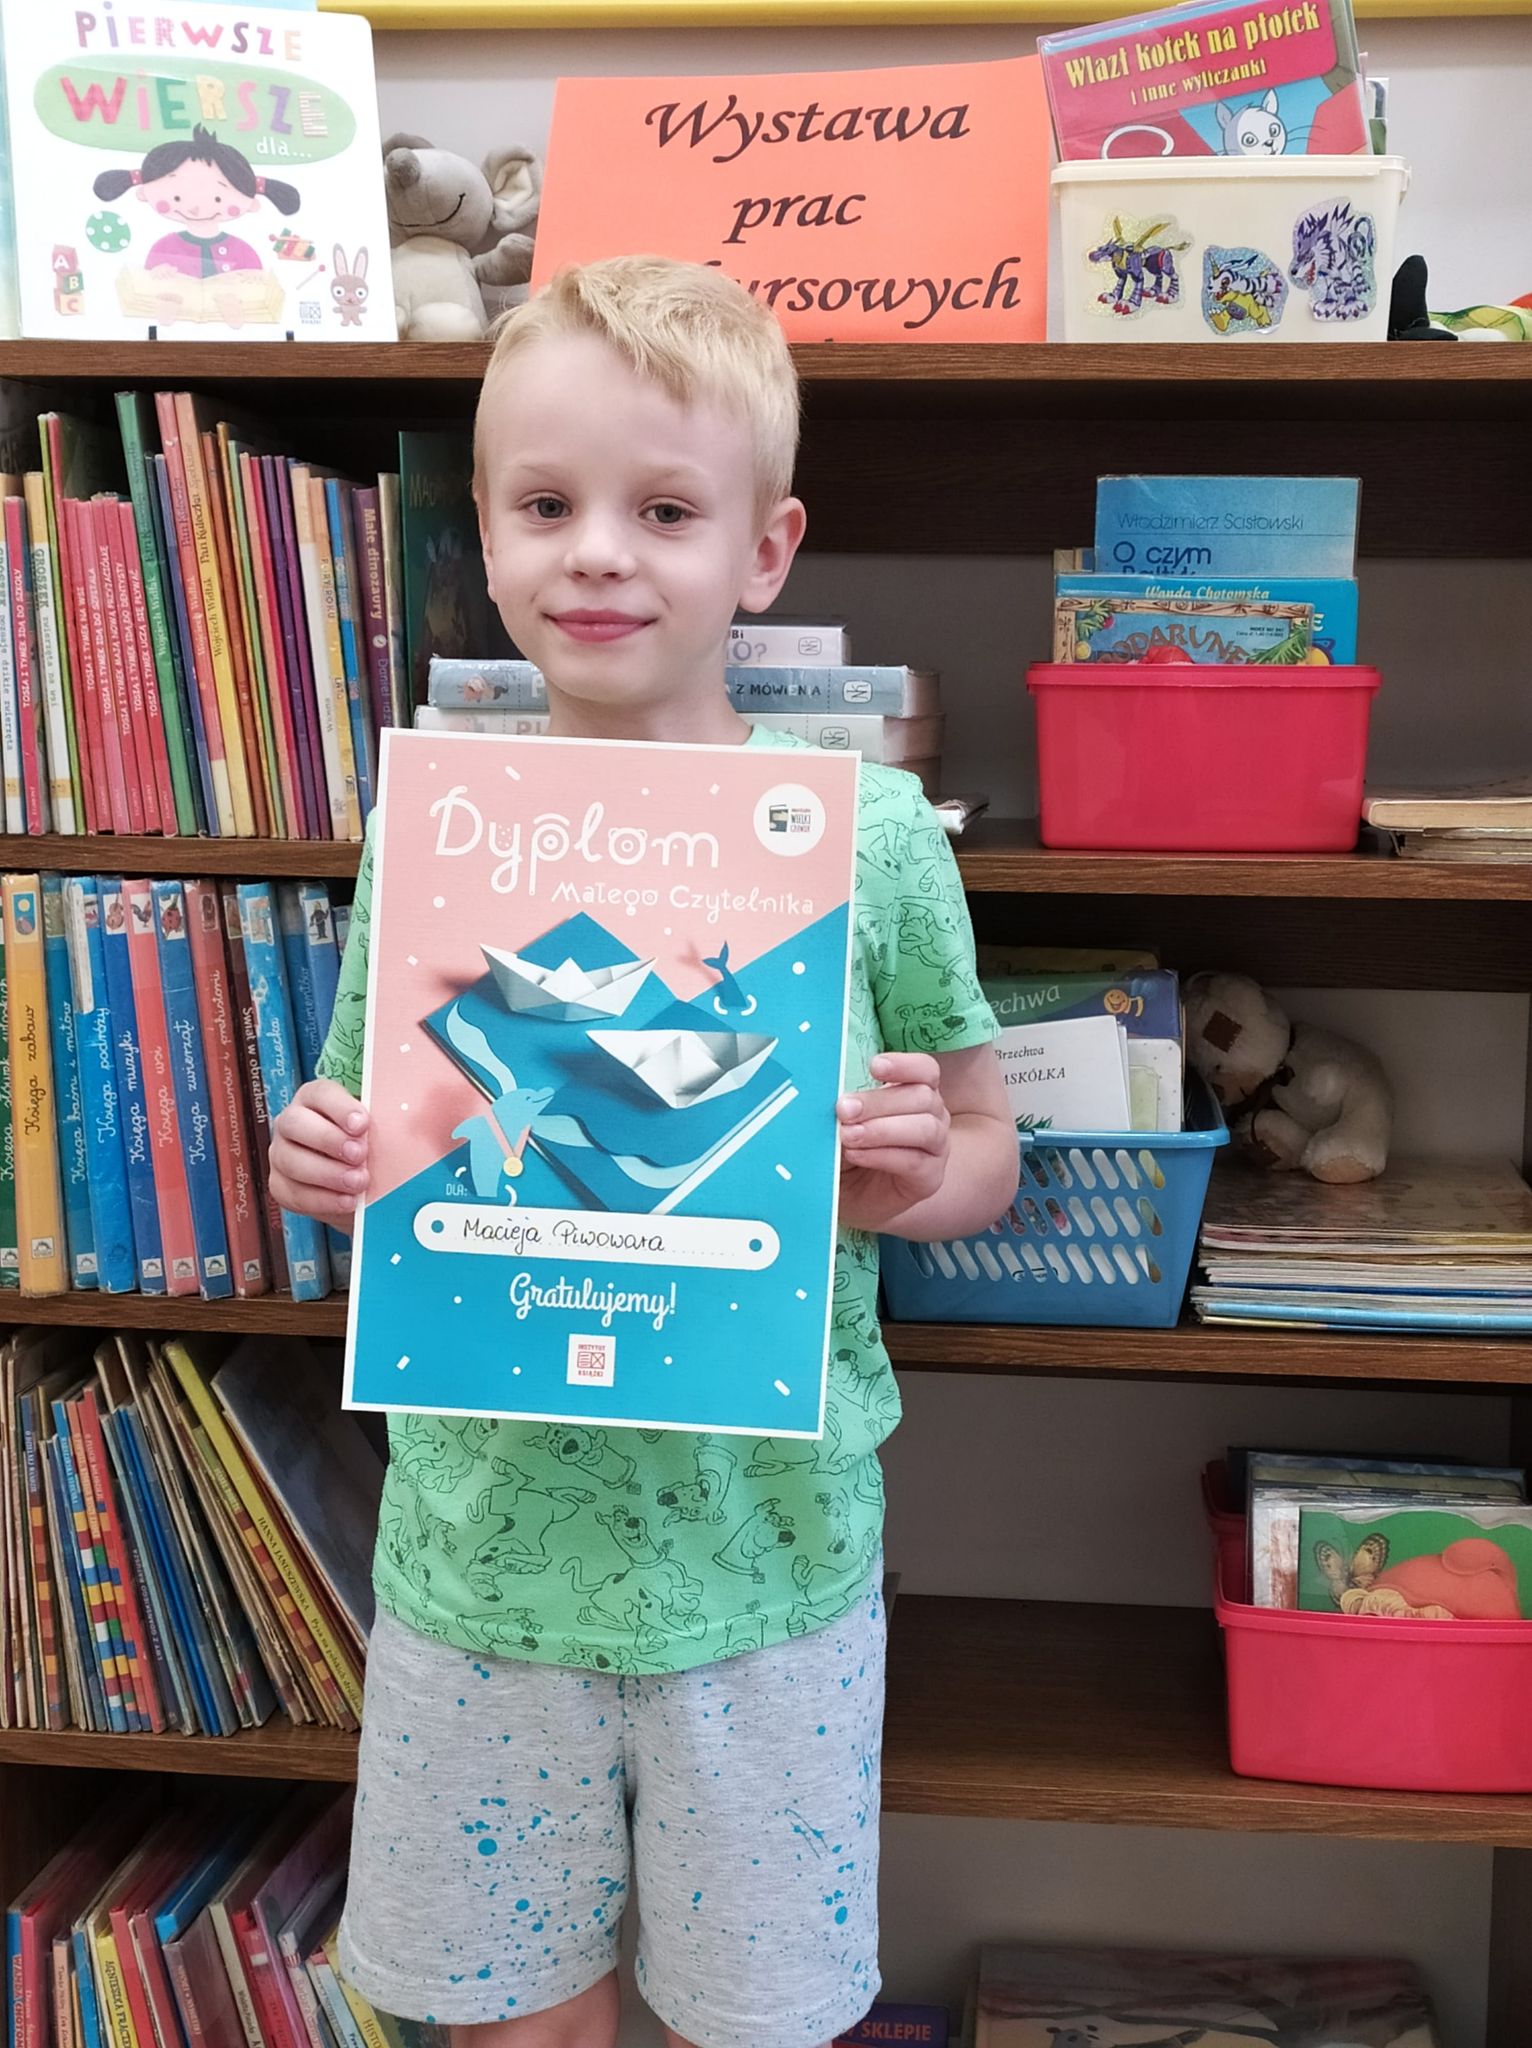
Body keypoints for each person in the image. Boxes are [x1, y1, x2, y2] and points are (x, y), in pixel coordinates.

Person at [269, 254, 1017, 2048]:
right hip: (481, 1572)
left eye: (665, 511)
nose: (599, 554)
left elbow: (988, 1149)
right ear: (486, 535)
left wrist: (920, 1169)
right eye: (548, 506)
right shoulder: (437, 829)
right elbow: (384, 1142)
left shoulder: (875, 837)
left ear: (765, 549)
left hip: (768, 1573)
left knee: (753, 2017)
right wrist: (323, 1160)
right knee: (514, 2016)